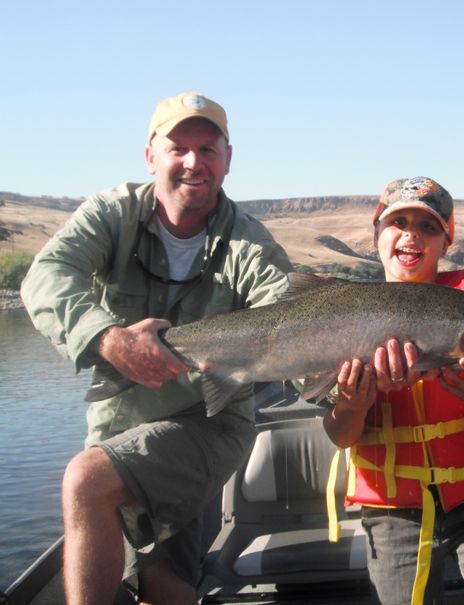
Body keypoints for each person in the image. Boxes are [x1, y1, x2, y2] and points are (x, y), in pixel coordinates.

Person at [21, 92, 293, 604]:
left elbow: (289, 317)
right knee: (161, 584)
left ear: (228, 160)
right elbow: (46, 277)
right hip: (120, 422)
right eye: (178, 148)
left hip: (212, 421)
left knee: (86, 482)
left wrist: (342, 367)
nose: (194, 162)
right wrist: (108, 337)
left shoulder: (251, 244)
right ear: (151, 155)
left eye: (208, 150)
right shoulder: (111, 213)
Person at [322, 176, 464, 605]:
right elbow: (340, 436)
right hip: (392, 513)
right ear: (377, 233)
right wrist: (354, 403)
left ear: (447, 243)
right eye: (398, 222)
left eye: (429, 226)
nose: (412, 234)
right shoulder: (340, 321)